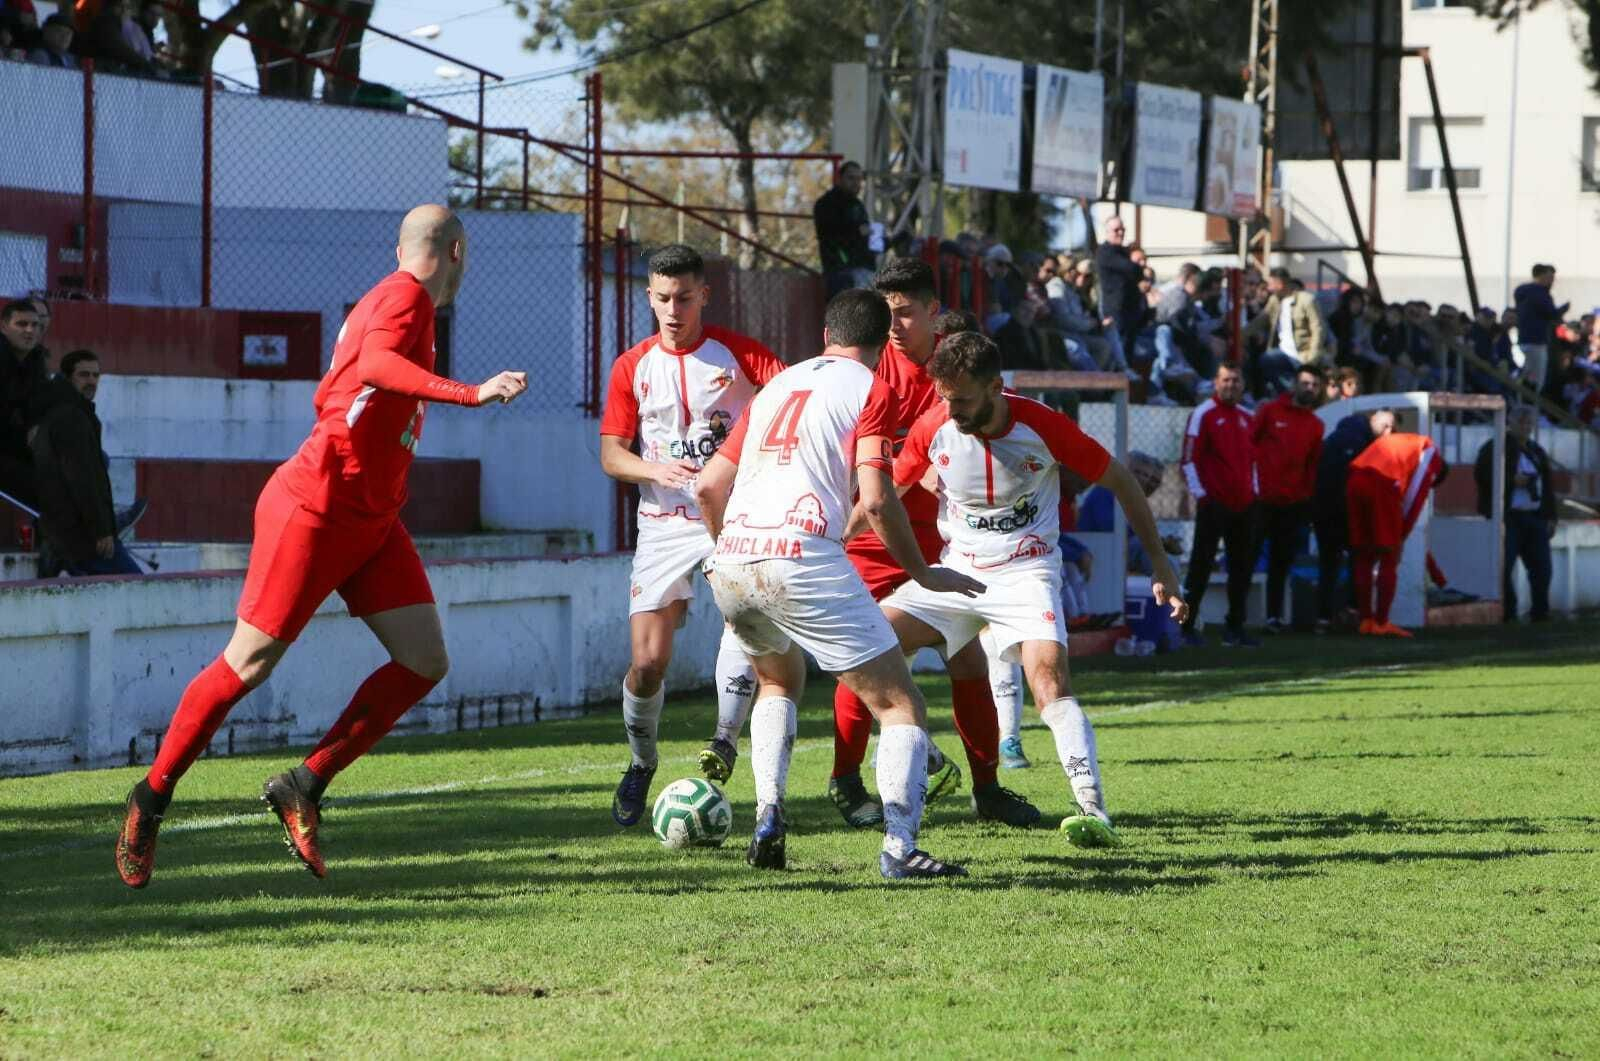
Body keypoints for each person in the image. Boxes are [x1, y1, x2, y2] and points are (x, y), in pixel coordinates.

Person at [113, 204, 529, 889]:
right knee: (246, 665)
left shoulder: (394, 294)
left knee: (424, 658)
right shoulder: (405, 297)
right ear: (458, 250)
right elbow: (375, 363)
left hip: (371, 516)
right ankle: (150, 798)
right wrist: (469, 392)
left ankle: (303, 783)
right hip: (317, 506)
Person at [694, 288, 981, 878]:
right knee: (900, 703)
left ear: (826, 335)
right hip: (802, 555)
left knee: (778, 681)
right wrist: (923, 572)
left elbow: (706, 486)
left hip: (734, 558)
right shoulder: (871, 388)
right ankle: (900, 849)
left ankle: (769, 816)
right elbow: (875, 497)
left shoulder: (774, 387)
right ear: (881, 346)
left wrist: (727, 547)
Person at [876, 332, 1188, 847]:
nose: (952, 410)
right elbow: (884, 493)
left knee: (1047, 680)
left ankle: (1091, 807)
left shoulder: (1043, 426)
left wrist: (1161, 565)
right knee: (869, 647)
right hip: (956, 574)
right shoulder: (935, 424)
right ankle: (927, 759)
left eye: (964, 399)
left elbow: (1123, 482)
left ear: (997, 387)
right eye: (945, 398)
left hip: (1027, 573)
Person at [826, 257, 1033, 829]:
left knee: (967, 661)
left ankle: (988, 788)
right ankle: (845, 779)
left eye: (906, 313)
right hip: (872, 542)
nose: (894, 326)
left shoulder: (954, 366)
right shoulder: (869, 372)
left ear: (933, 312)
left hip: (939, 547)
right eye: (887, 314)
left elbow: (994, 419)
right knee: (869, 659)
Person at [596, 243, 783, 825]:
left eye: (683, 297)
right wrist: (656, 470)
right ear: (648, 297)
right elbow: (610, 454)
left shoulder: (744, 356)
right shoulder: (632, 366)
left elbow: (791, 405)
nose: (672, 309)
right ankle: (640, 763)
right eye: (661, 298)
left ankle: (724, 740)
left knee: (743, 619)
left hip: (732, 519)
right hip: (661, 525)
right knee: (648, 663)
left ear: (704, 294)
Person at [29, 349, 140, 576]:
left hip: (67, 533)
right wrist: (101, 531)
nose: (91, 381)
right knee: (137, 588)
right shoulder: (71, 418)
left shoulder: (69, 412)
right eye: (84, 375)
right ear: (69, 377)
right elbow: (82, 479)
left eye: (95, 375)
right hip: (81, 537)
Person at [1180, 363, 1259, 647]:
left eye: (1236, 381)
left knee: (1241, 567)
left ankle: (1235, 627)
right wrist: (1202, 496)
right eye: (1226, 380)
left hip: (1245, 504)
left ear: (1243, 385)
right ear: (1216, 382)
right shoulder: (1203, 414)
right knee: (1201, 565)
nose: (1231, 385)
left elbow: (1253, 462)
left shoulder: (1248, 418)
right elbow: (1189, 460)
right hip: (1214, 504)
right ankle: (1186, 628)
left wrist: (1255, 493)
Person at [1346, 425, 1448, 638]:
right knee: (1388, 556)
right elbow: (1415, 498)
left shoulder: (1406, 441)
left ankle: (1366, 620)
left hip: (1355, 478)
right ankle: (1382, 622)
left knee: (1363, 555)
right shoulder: (1430, 454)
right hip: (1381, 482)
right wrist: (1400, 537)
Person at [1252, 363, 1325, 632]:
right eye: (1305, 383)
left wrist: (1305, 498)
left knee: (1281, 563)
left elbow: (1312, 466)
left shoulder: (1316, 425)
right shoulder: (1270, 411)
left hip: (1292, 504)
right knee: (1246, 555)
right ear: (1294, 384)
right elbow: (1250, 443)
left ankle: (1273, 616)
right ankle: (1235, 616)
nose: (1310, 389)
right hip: (1261, 500)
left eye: (1315, 385)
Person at [1475, 405, 1556, 622]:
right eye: (1521, 422)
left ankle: (1540, 613)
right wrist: (1511, 479)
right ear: (1510, 423)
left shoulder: (1536, 451)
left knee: (1543, 569)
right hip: (1507, 517)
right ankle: (1508, 612)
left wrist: (1550, 517)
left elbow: (1547, 487)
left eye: (1529, 422)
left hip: (1534, 517)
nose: (1525, 426)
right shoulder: (1495, 447)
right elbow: (1482, 474)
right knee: (1503, 567)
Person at [1, 298, 49, 510]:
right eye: (21, 324)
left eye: (35, 325)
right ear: (3, 327)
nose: (30, 330)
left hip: (12, 443)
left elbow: (42, 406)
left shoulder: (35, 361)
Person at [1246, 269, 1325, 395]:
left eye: (1271, 284)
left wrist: (1312, 356)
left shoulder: (1307, 300)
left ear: (1280, 284)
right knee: (1265, 360)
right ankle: (1288, 394)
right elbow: (1261, 320)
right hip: (1283, 353)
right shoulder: (1274, 301)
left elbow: (1318, 328)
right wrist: (1240, 334)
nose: (1269, 288)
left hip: (1303, 353)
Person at [812, 161, 875, 297]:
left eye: (859, 179)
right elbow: (829, 234)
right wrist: (858, 232)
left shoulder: (858, 205)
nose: (856, 183)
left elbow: (865, 235)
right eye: (851, 178)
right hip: (840, 271)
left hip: (863, 270)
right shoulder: (826, 203)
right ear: (839, 179)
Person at [1094, 215, 1144, 365]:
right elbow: (1131, 268)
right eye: (1116, 230)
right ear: (1107, 232)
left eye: (1122, 229)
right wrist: (1134, 266)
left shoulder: (1123, 252)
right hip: (1115, 311)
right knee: (1118, 353)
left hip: (1130, 310)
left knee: (1129, 351)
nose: (1120, 233)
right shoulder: (1105, 252)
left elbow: (1138, 272)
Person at [1513, 264, 1566, 398]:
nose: (1552, 281)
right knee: (1535, 382)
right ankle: (1527, 413)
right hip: (1536, 341)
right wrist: (1563, 309)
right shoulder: (1539, 293)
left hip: (1525, 339)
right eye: (1550, 277)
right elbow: (1551, 313)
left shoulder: (1523, 291)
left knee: (1529, 375)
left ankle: (1524, 407)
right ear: (1541, 276)